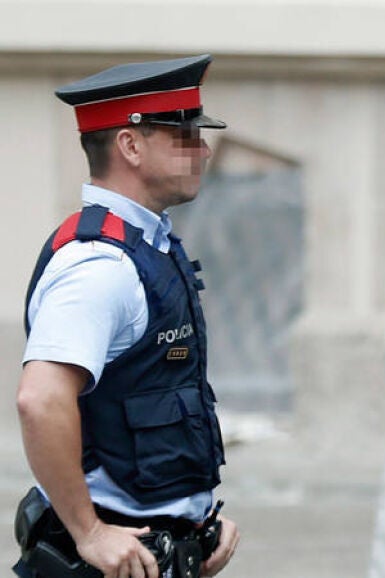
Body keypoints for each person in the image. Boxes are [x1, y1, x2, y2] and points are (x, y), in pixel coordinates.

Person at [15, 55, 240, 578]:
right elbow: (40, 400)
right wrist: (89, 532)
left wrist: (195, 521)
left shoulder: (149, 246)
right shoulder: (100, 264)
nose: (203, 149)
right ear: (130, 146)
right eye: (185, 136)